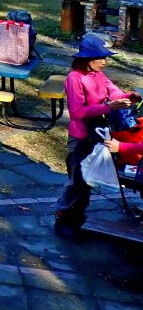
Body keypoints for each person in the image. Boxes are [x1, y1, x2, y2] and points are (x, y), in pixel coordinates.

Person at [54, 36, 141, 239]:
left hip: (99, 131)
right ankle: (64, 217)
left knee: (89, 178)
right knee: (78, 179)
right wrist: (107, 107)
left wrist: (129, 97)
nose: (104, 61)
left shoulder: (99, 75)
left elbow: (114, 92)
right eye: (100, 57)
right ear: (88, 58)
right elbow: (76, 112)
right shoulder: (74, 77)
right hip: (82, 136)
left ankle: (78, 217)